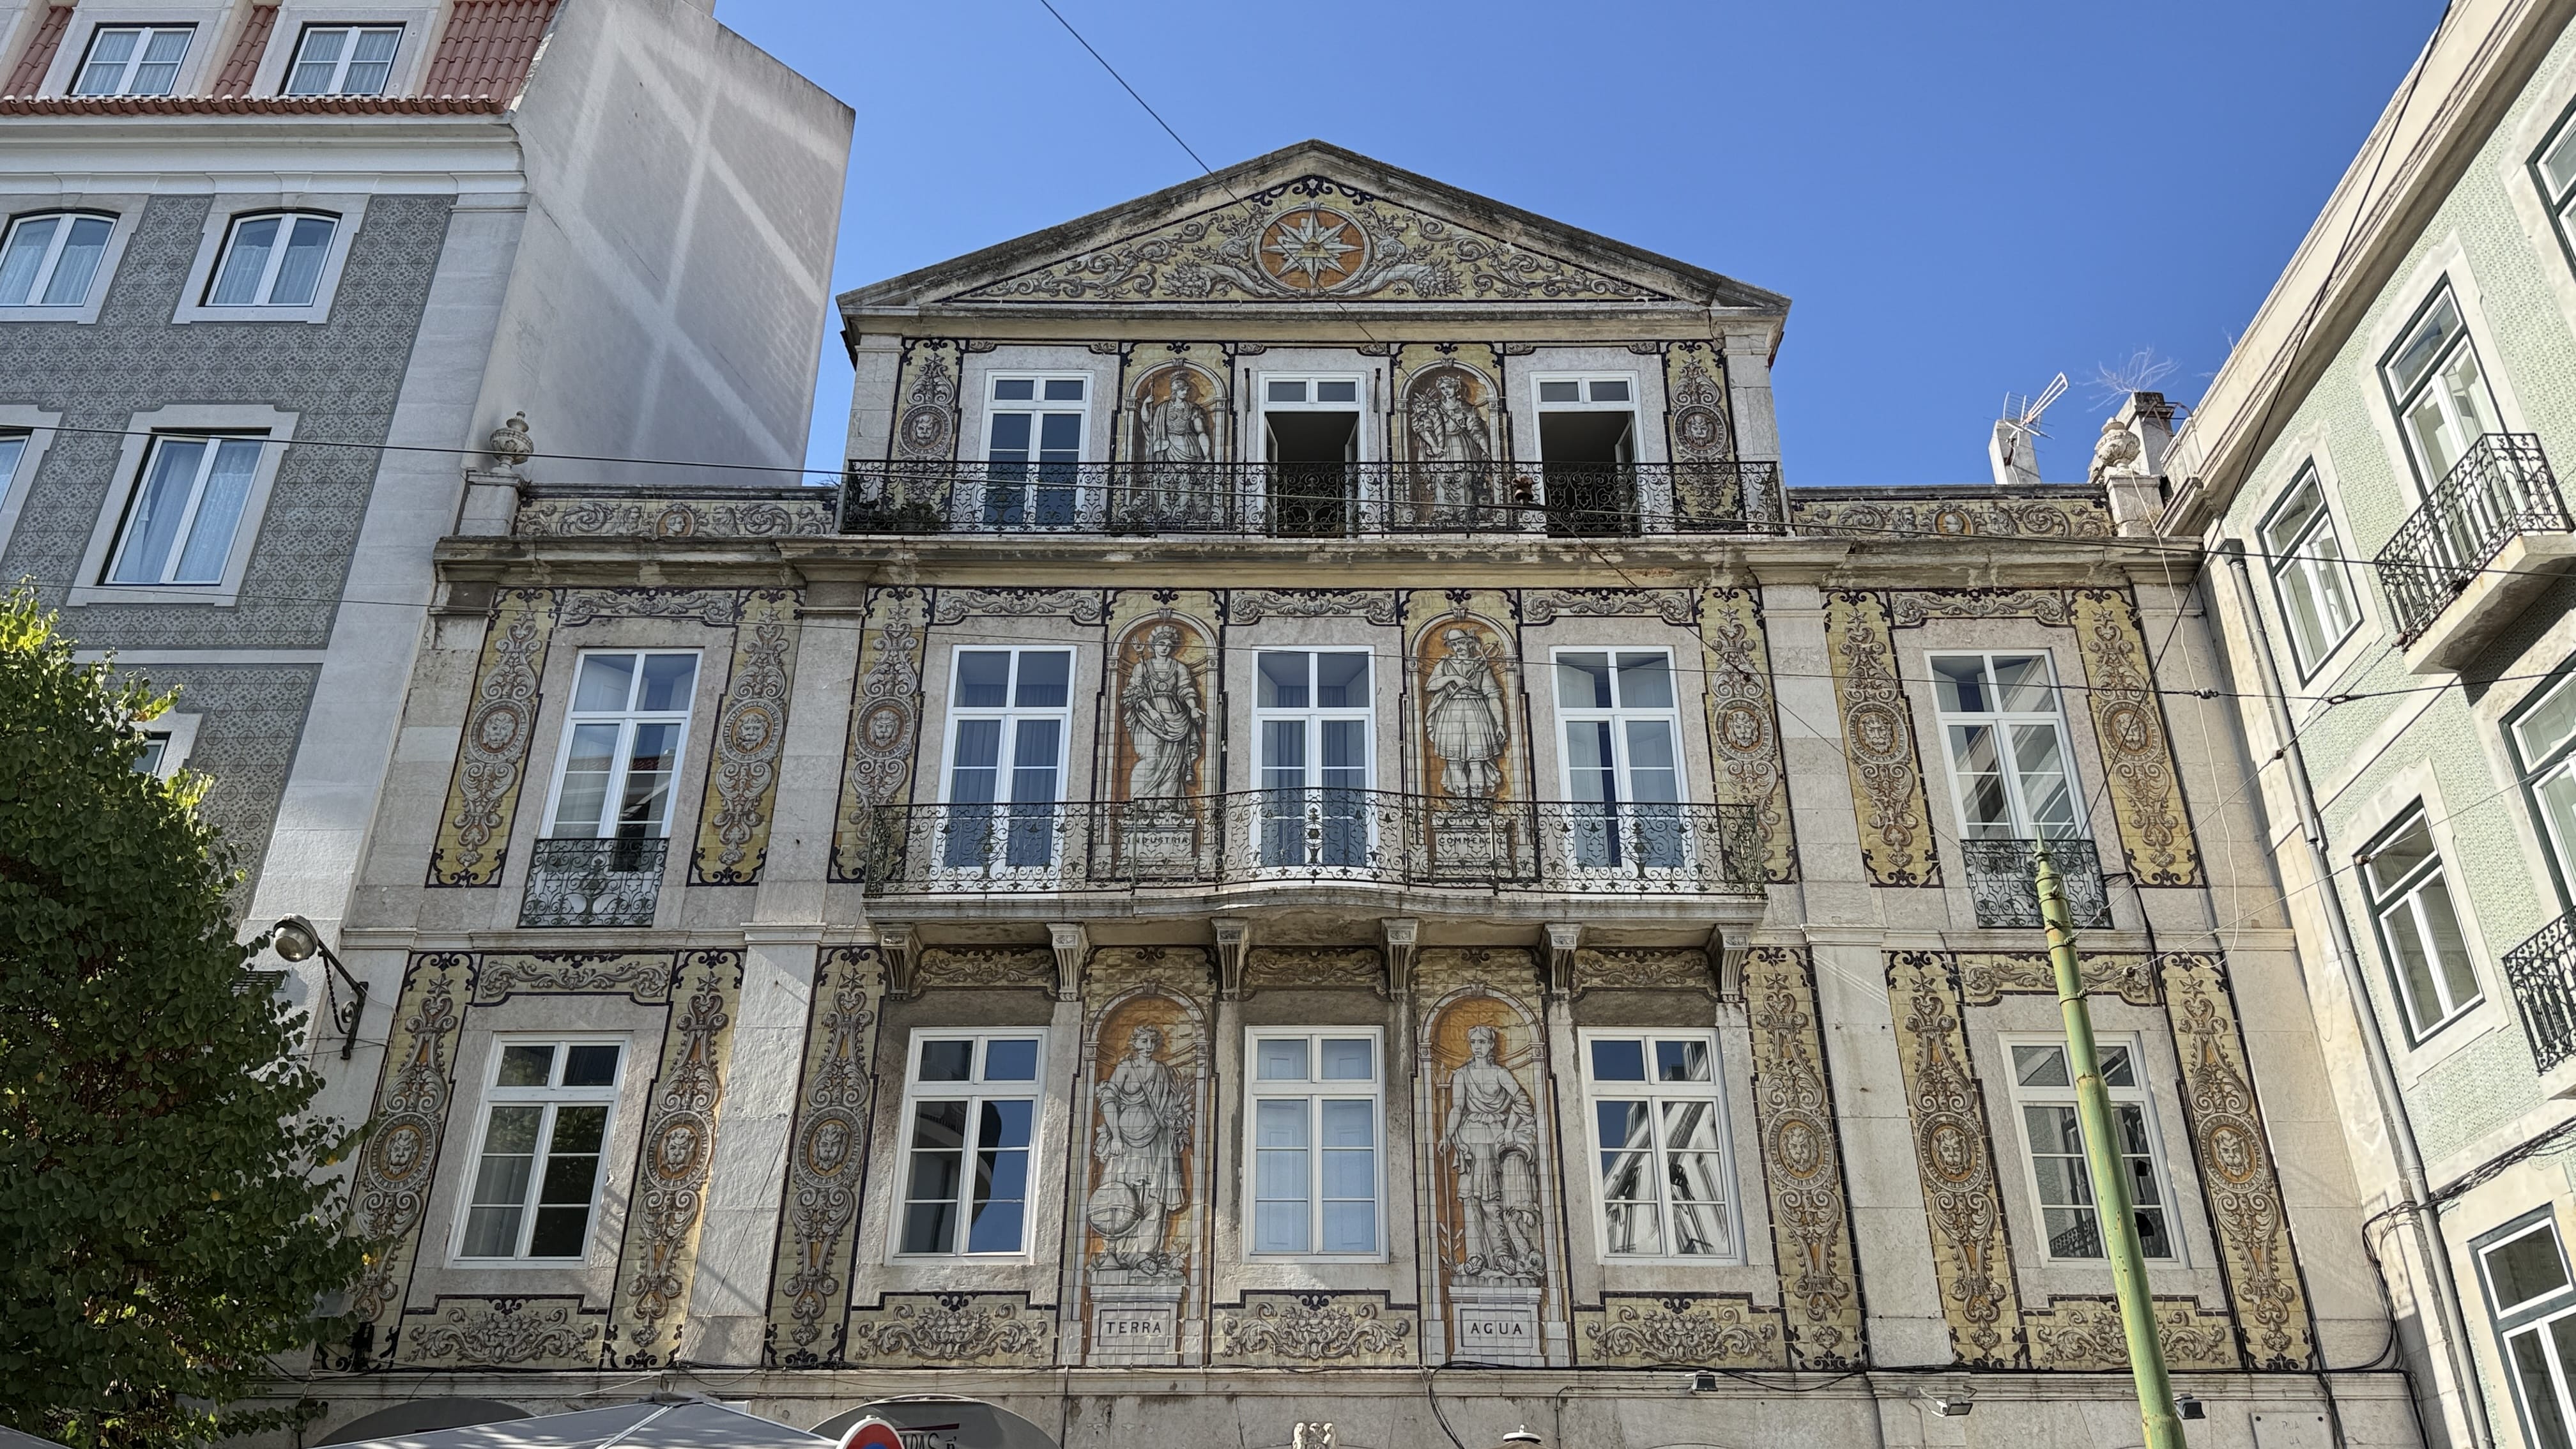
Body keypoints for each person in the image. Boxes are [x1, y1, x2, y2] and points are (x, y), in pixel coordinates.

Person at [1443, 1023, 1540, 1281]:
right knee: (1470, 1199)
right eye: (1473, 1042)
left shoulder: (1500, 1073)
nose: (1478, 1047)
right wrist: (1448, 1135)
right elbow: (1456, 1108)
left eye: (1483, 1042)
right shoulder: (1462, 1075)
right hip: (1470, 1136)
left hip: (1494, 1136)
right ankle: (1475, 1256)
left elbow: (1522, 1102)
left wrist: (1509, 1130)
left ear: (1490, 1045)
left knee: (1492, 1201)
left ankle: (1502, 1254)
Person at [1091, 1024, 1188, 1275]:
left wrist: (1174, 1125)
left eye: (1152, 1041)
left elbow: (1169, 1105)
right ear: (1135, 1043)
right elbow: (1109, 1100)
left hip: (1155, 1140)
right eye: (1143, 1040)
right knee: (1121, 1192)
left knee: (1154, 1197)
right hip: (1125, 1142)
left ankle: (1146, 1255)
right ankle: (1116, 1252)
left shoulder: (1163, 1070)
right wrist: (1115, 1136)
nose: (1148, 1046)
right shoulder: (1125, 1068)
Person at [1122, 625, 1202, 819]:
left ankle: (1166, 807)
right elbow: (1134, 692)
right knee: (1151, 759)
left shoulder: (1179, 667)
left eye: (1168, 644)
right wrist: (1151, 711)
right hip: (1149, 718)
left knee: (1172, 767)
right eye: (1161, 644)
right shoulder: (1142, 667)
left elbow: (1186, 689)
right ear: (1153, 645)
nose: (1165, 648)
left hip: (1177, 718)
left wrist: (1192, 708)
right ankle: (1140, 804)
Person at [1424, 628, 1506, 802]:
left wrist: (1500, 724)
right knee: (1455, 763)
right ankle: (1463, 806)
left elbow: (1493, 696)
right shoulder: (1445, 664)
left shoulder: (1480, 665)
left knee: (1477, 762)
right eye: (1454, 644)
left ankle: (1476, 806)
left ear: (1470, 643)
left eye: (1461, 642)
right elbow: (1431, 686)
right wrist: (1452, 678)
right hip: (1451, 714)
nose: (1457, 647)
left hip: (1476, 713)